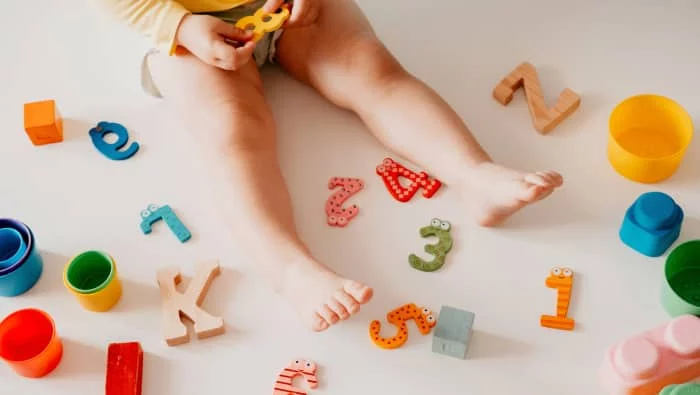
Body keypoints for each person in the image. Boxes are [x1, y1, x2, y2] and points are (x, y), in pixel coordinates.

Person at [94, 0, 563, 332]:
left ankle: (473, 173)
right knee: (232, 132)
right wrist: (177, 26)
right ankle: (291, 270)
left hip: (297, 8)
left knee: (371, 72)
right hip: (181, 26)